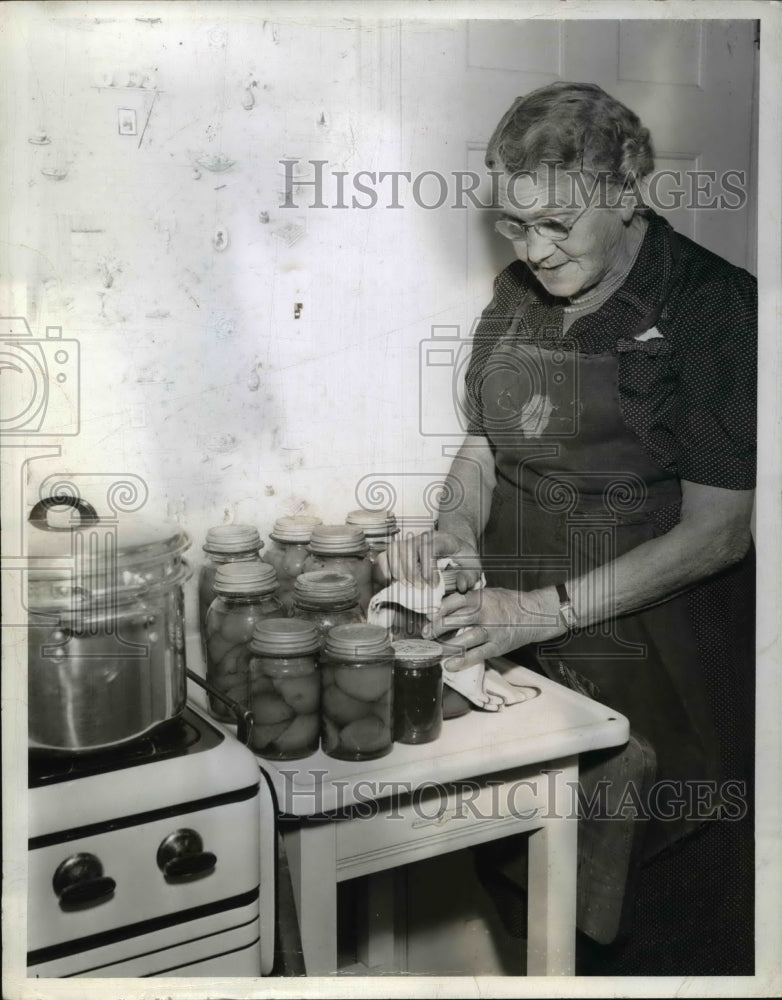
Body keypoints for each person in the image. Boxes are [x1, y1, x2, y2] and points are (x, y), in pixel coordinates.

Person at [386, 82, 756, 969]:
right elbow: (481, 450)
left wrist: (545, 609)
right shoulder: (516, 296)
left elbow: (721, 531)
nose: (534, 250)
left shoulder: (716, 309)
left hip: (657, 657)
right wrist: (457, 534)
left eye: (556, 224)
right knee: (532, 890)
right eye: (515, 225)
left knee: (657, 913)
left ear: (626, 194)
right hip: (526, 643)